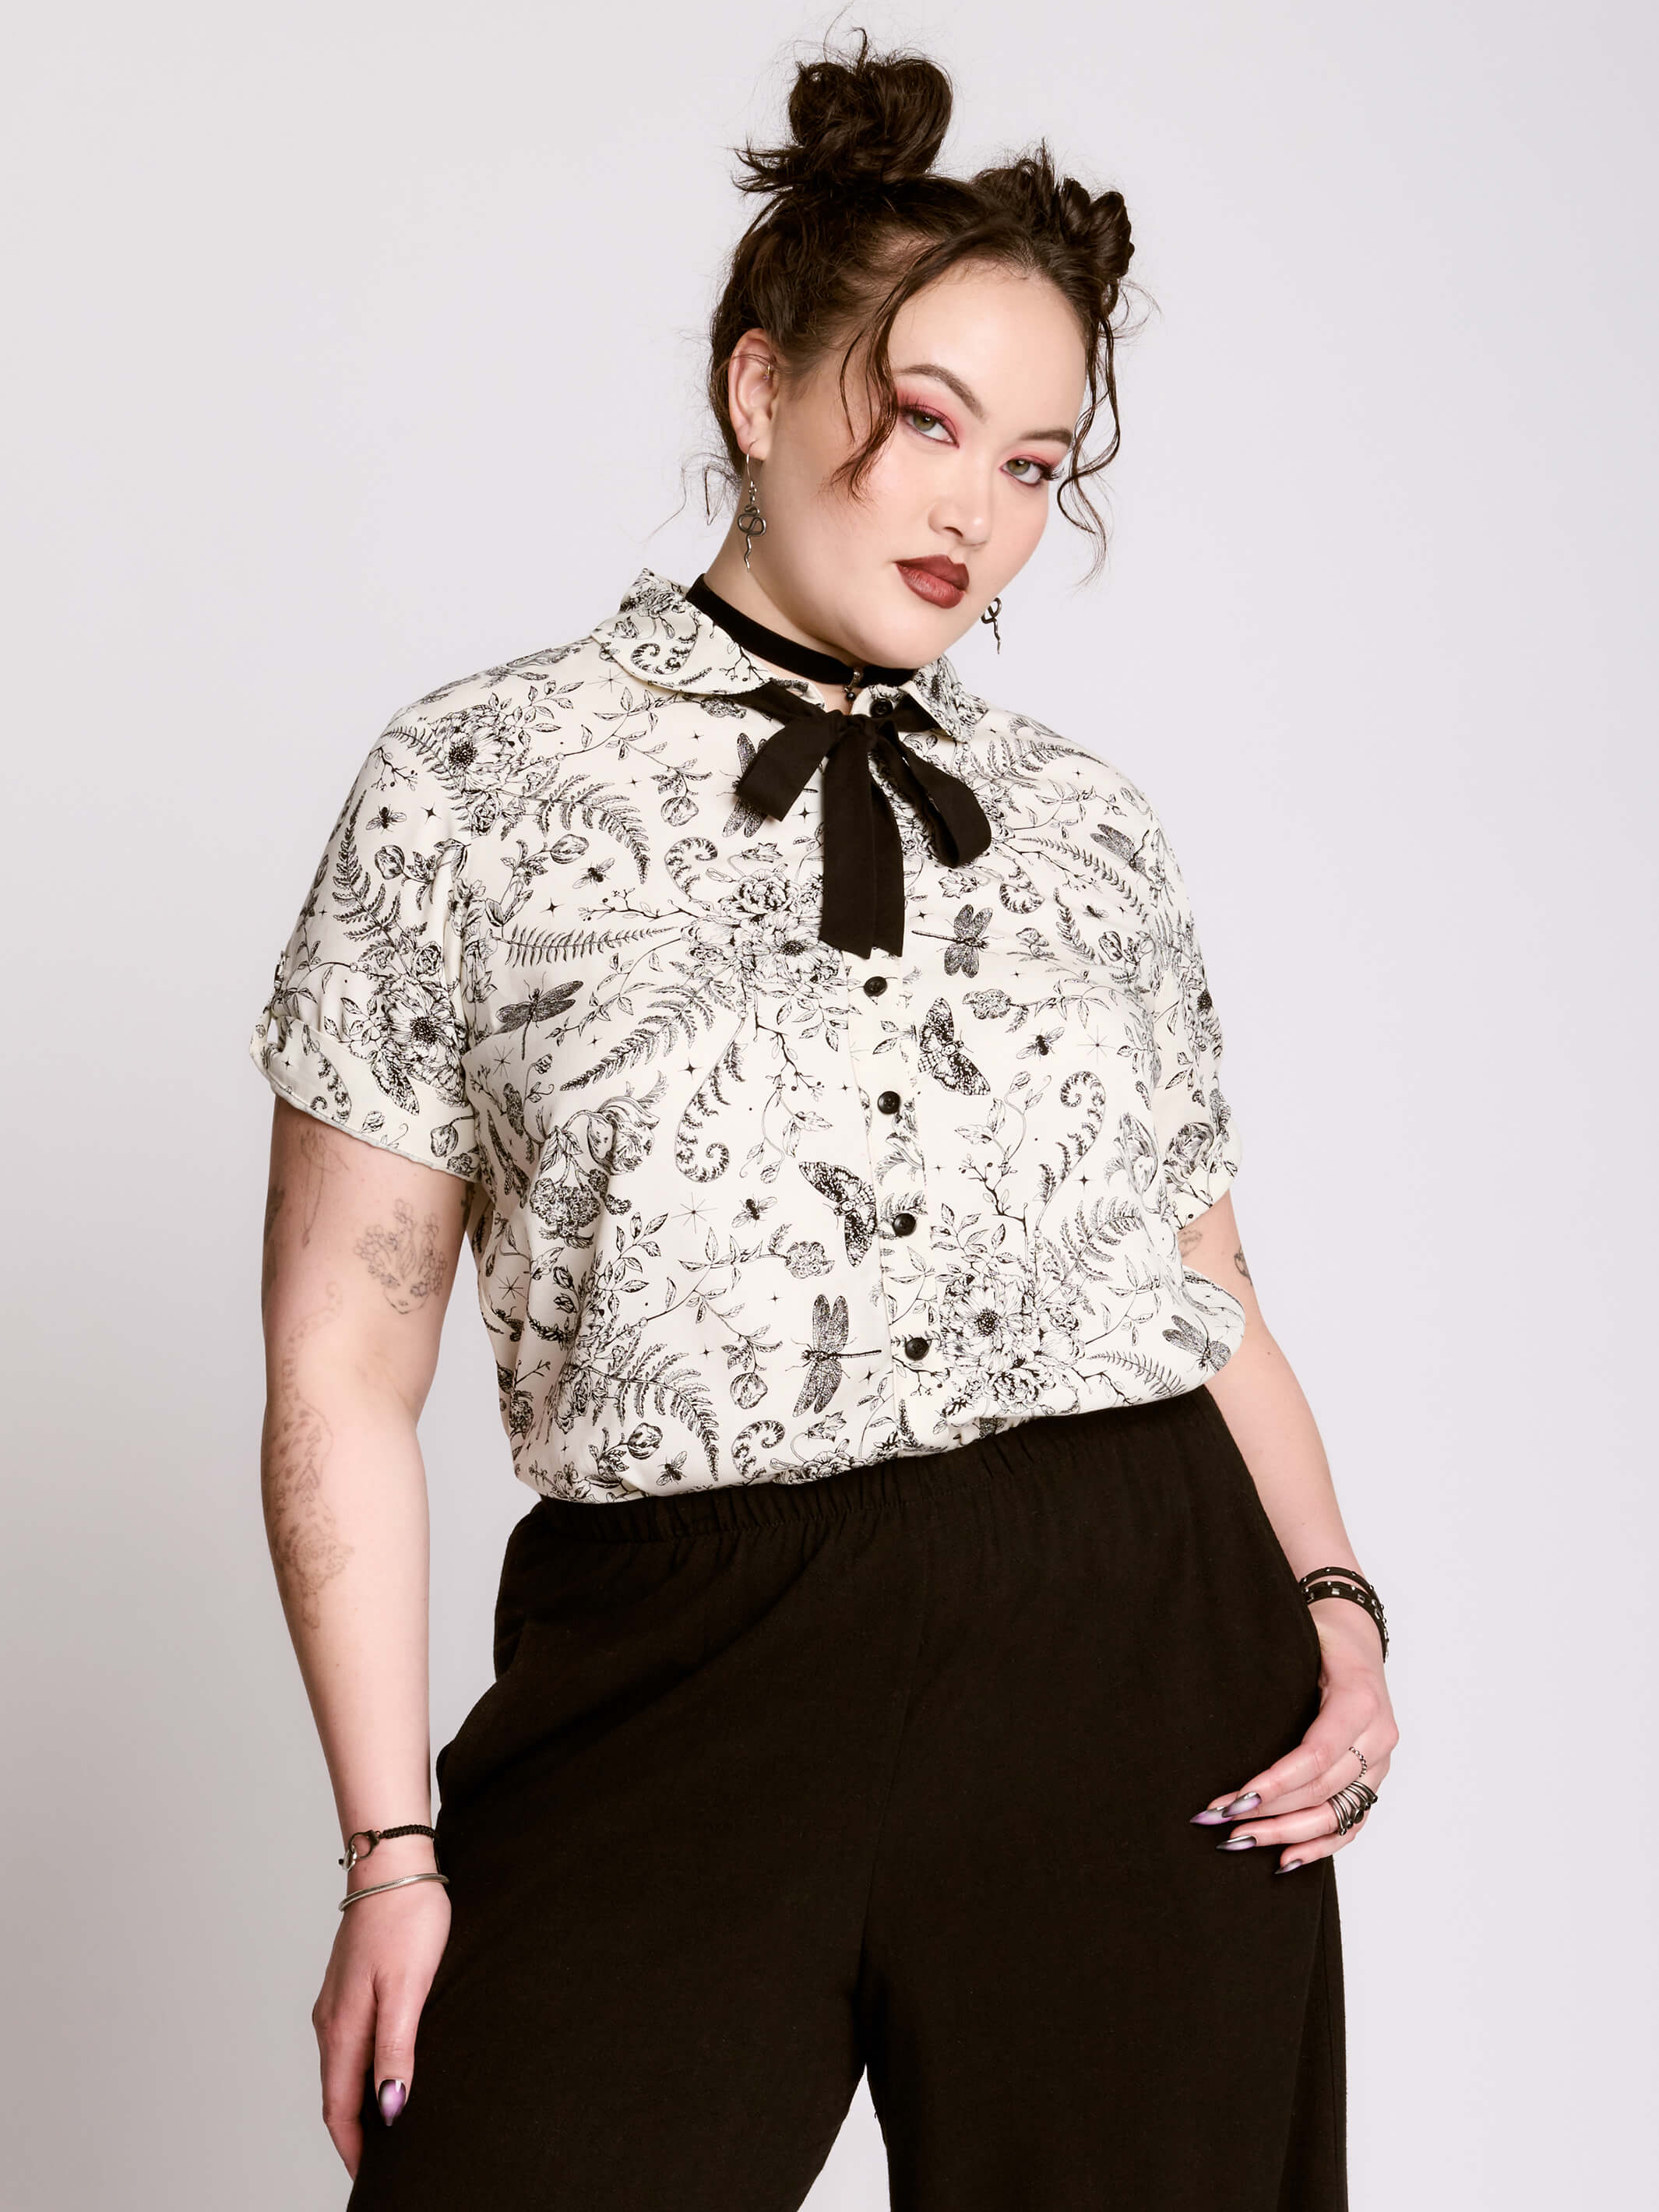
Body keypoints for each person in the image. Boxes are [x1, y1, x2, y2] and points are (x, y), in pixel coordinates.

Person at [251, 33, 1397, 2211]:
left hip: (1132, 1637)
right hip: (683, 1652)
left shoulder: (1089, 830)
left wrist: (1334, 1604)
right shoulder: (473, 786)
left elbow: (1201, 1280)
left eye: (1037, 464)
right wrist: (394, 1853)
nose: (978, 512)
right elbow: (339, 1366)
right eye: (929, 421)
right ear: (758, 388)